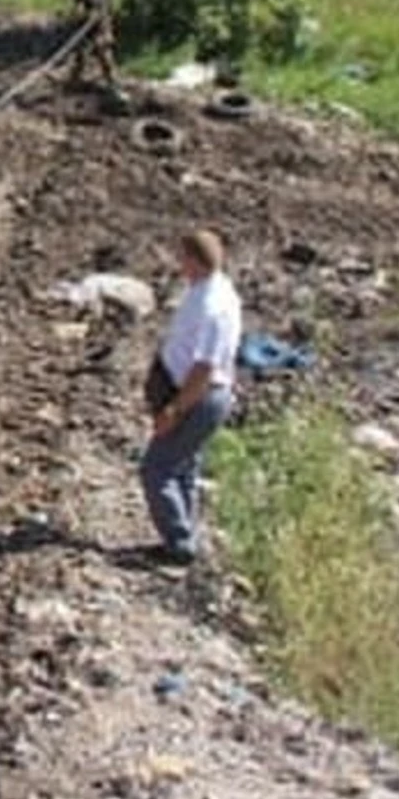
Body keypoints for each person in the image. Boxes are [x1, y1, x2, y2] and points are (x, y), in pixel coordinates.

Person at [137, 229, 240, 566]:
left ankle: (179, 545)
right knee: (183, 466)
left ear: (194, 261)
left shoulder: (213, 305)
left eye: (182, 258)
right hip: (197, 394)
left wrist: (175, 409)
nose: (179, 264)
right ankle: (186, 534)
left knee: (157, 467)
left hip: (199, 397)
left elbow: (204, 367)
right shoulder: (215, 289)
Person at [68, 0, 119, 88]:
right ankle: (74, 81)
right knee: (81, 57)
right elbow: (77, 12)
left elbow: (110, 12)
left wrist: (106, 27)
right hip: (86, 32)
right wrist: (87, 15)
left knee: (106, 57)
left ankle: (113, 85)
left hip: (102, 30)